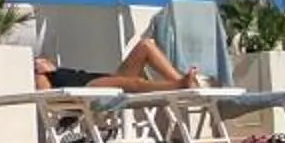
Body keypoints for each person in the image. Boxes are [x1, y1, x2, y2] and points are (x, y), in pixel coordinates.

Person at [37, 33, 202, 93]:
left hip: (97, 78)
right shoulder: (45, 76)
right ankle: (178, 85)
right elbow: (47, 98)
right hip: (85, 88)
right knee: (133, 83)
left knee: (145, 45)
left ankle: (185, 84)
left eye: (43, 59)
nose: (43, 61)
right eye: (39, 61)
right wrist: (39, 72)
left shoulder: (59, 70)